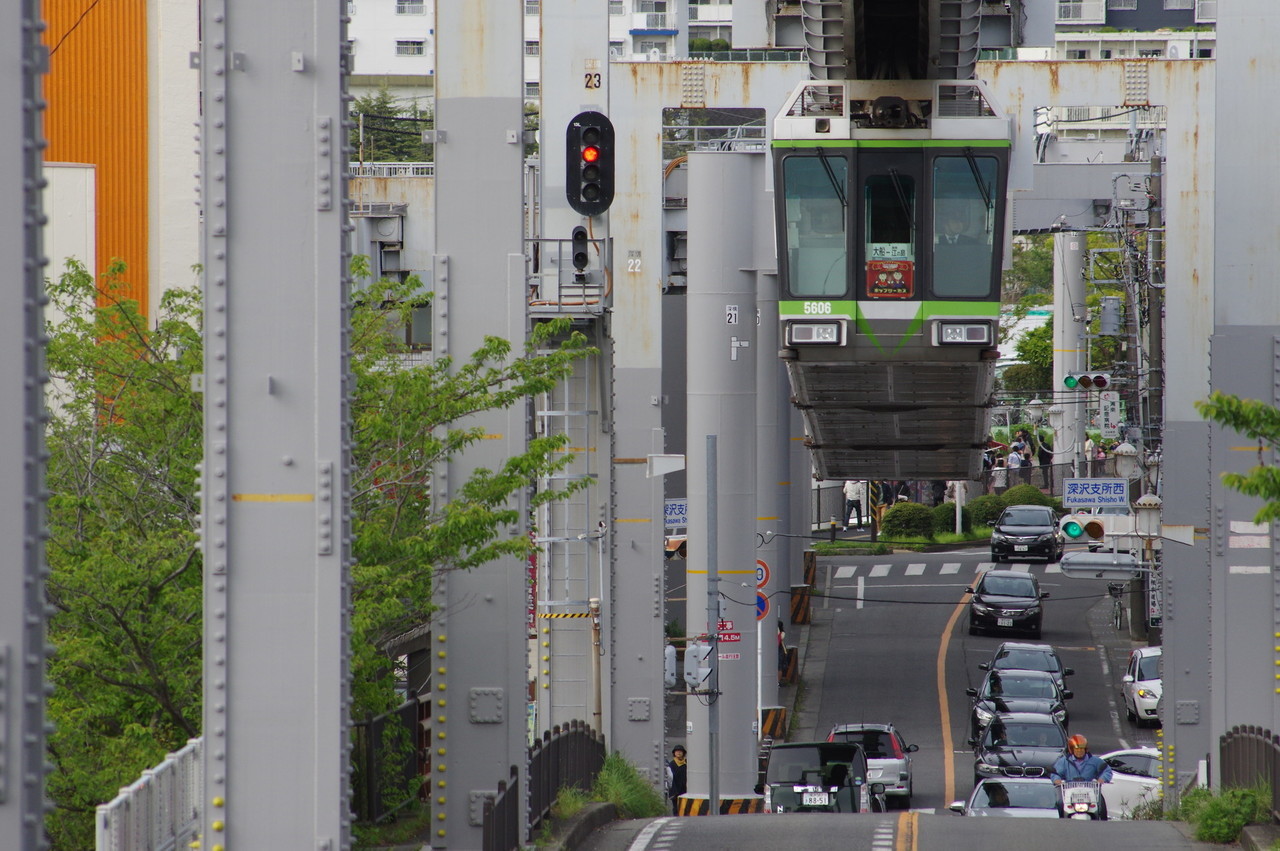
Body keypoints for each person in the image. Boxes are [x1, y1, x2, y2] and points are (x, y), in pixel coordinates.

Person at [1051, 734, 1113, 820]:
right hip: (1069, 791)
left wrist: (1102, 779)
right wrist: (1057, 780)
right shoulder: (1064, 761)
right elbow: (1054, 773)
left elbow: (1107, 771)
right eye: (1077, 749)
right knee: (1060, 803)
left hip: (1090, 790)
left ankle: (1101, 822)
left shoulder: (1095, 761)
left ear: (1086, 749)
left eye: (1081, 749)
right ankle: (1061, 823)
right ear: (1072, 749)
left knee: (1101, 803)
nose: (1079, 751)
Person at [665, 745, 688, 815]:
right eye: (677, 751)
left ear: (683, 753)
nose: (678, 753)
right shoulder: (671, 765)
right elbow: (670, 779)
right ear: (674, 753)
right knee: (676, 807)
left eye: (680, 751)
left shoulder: (687, 763)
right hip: (675, 790)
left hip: (685, 789)